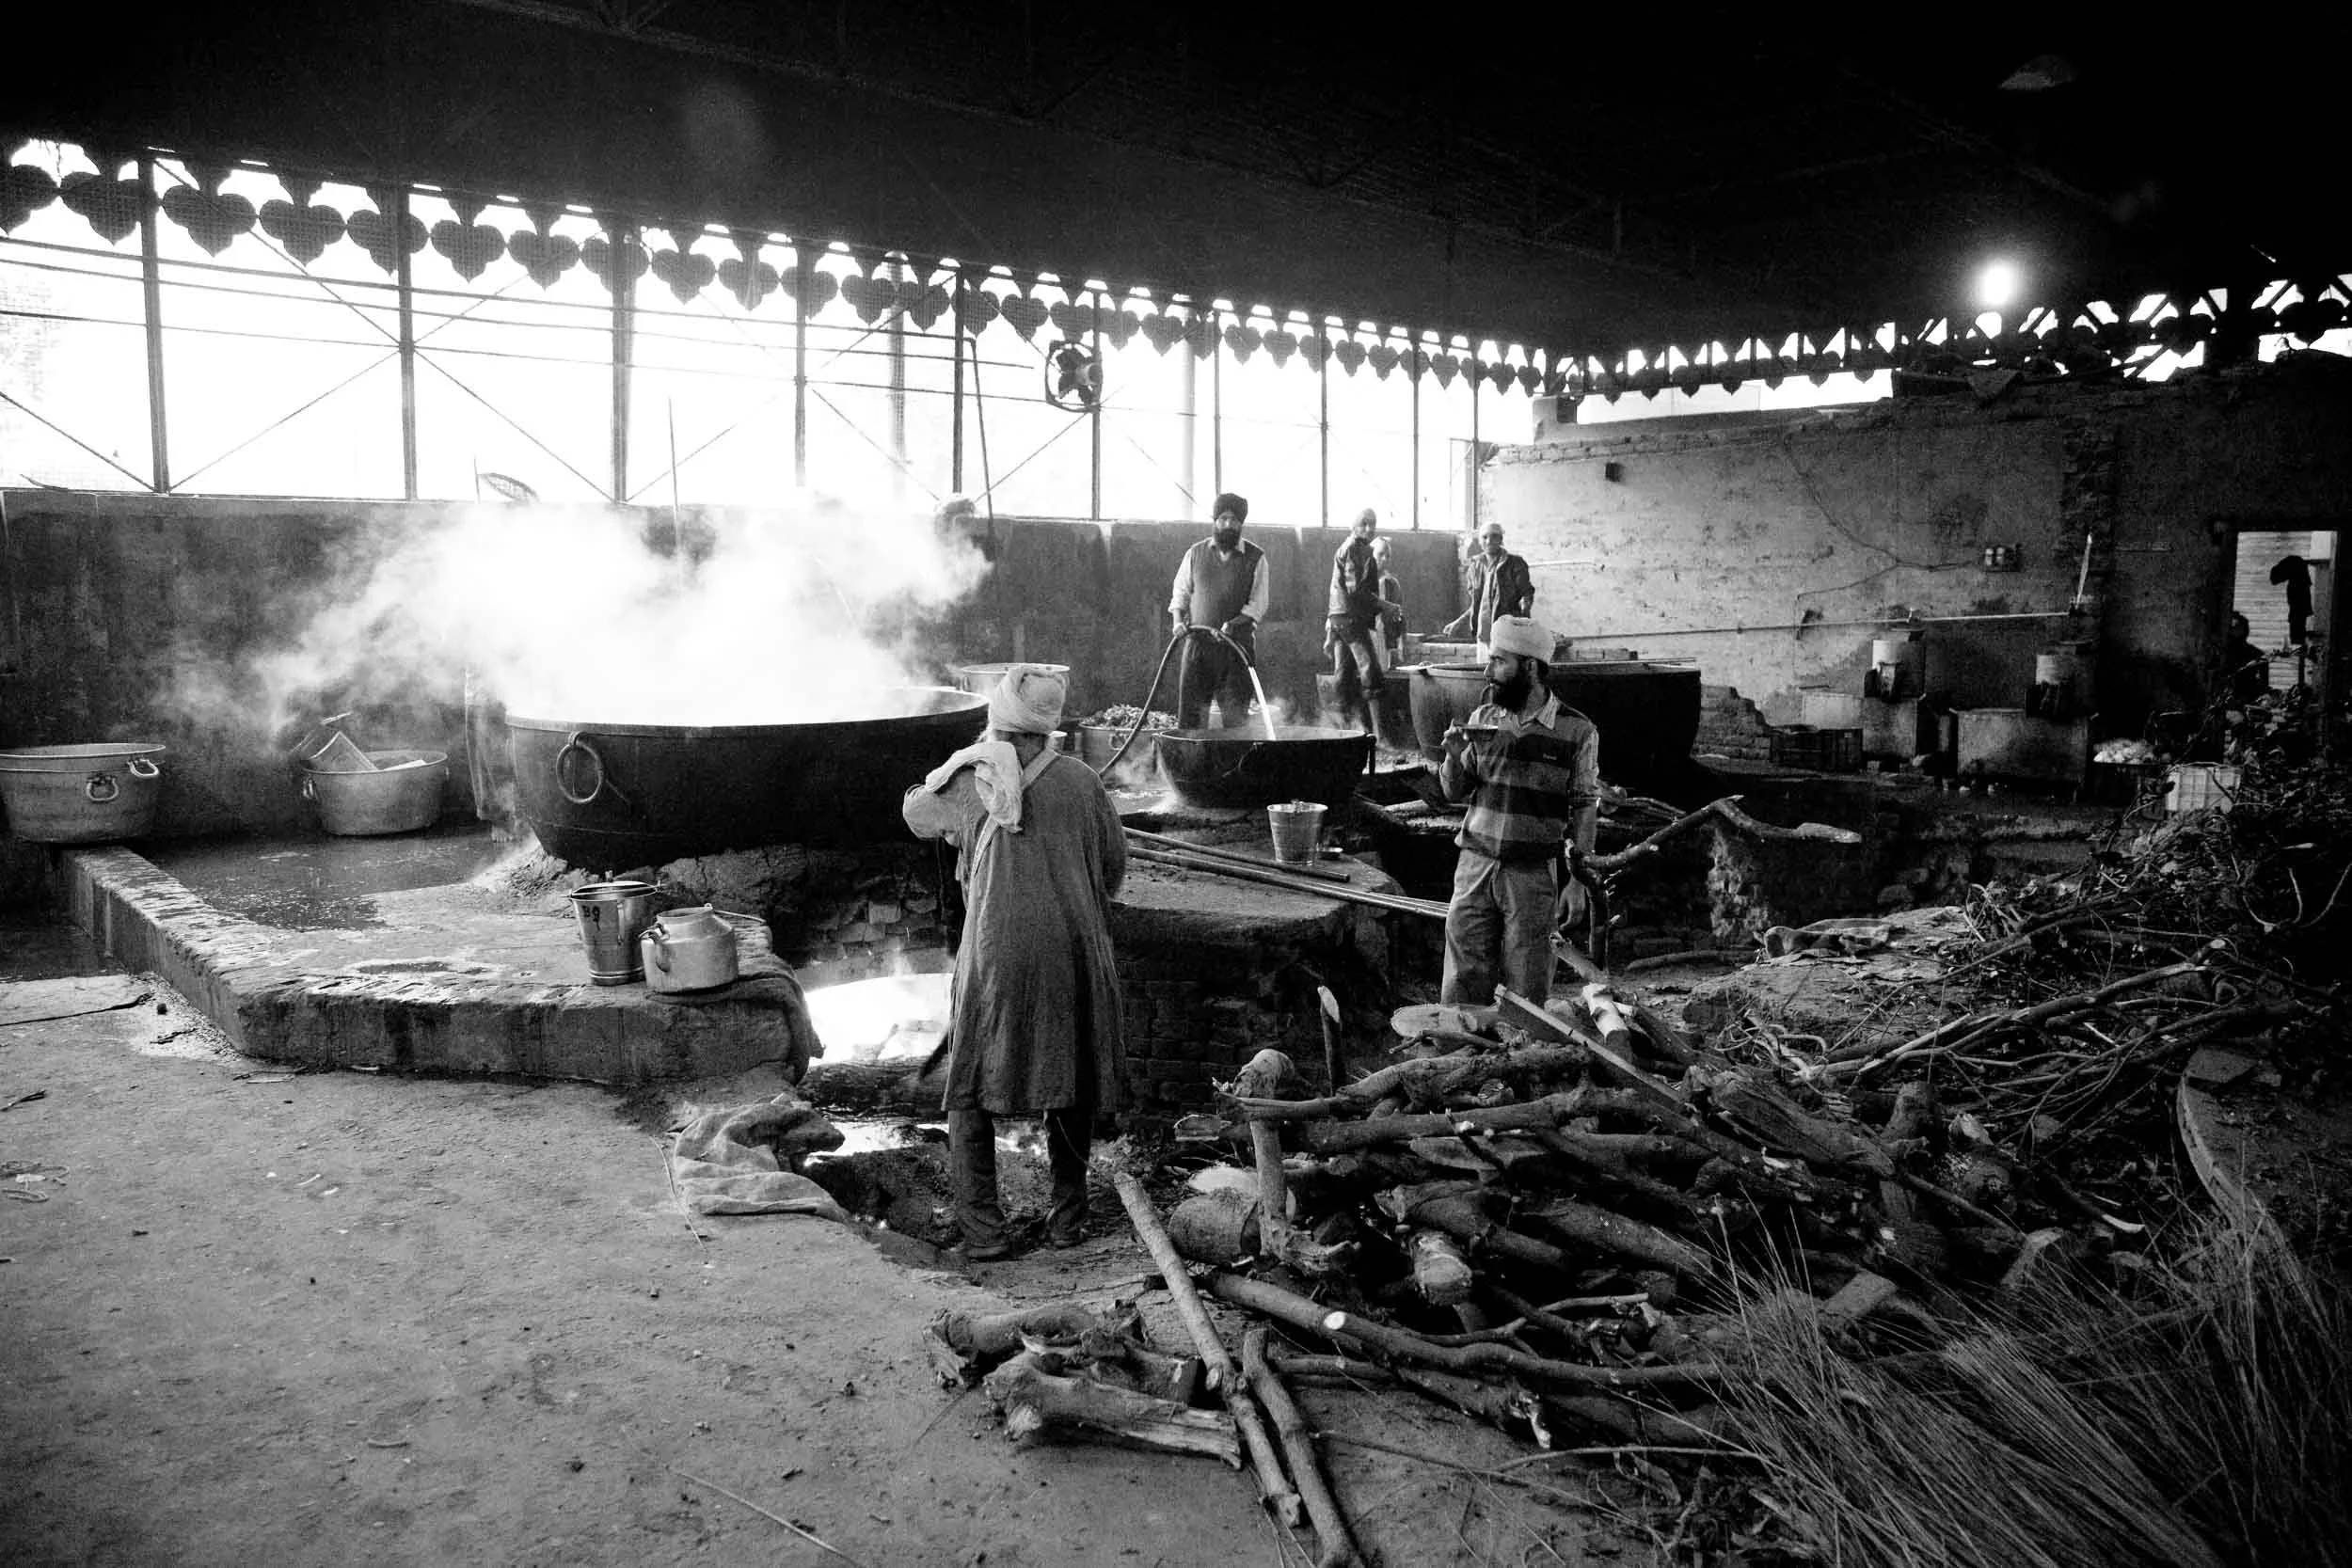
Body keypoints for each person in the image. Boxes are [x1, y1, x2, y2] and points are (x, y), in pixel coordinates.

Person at [902, 664, 1128, 1259]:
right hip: (1073, 952)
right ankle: (1067, 1221)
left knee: (970, 1086)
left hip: (995, 955)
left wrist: (952, 768)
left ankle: (983, 1233)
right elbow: (1112, 871)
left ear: (996, 722)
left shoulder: (972, 780)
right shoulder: (1082, 782)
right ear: (1049, 729)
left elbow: (916, 816)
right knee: (1069, 1079)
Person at [1436, 614, 1598, 1009]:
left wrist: (1577, 881)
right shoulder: (1483, 719)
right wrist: (1454, 757)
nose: (1488, 671)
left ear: (1529, 667)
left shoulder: (1577, 731)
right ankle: (1455, 1062)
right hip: (1475, 866)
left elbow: (1584, 808)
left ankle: (1522, 1063)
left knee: (1526, 985)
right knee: (1462, 979)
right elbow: (1453, 792)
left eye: (1498, 662)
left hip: (1531, 875)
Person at [1168, 492, 1268, 729]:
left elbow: (1258, 604)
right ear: (1215, 521)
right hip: (1198, 648)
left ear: (1241, 524)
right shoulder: (1195, 553)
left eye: (1234, 520)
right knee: (1191, 718)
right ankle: (1191, 764)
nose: (1228, 525)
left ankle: (1233, 766)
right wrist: (1178, 621)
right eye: (1223, 518)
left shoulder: (1256, 558)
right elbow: (1180, 593)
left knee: (1235, 721)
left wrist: (1233, 624)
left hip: (1236, 651)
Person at [1325, 508, 1399, 745]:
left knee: (1343, 675)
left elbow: (1335, 591)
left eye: (1373, 524)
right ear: (1354, 525)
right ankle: (1380, 737)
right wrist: (1385, 605)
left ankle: (1341, 735)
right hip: (1350, 619)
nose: (1369, 528)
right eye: (1364, 524)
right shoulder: (1354, 549)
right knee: (1372, 673)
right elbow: (1355, 591)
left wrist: (1330, 631)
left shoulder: (1355, 548)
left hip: (1340, 619)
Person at [1443, 522, 1534, 655]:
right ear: (1479, 541)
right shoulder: (1474, 568)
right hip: (1483, 636)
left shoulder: (1515, 564)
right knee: (1485, 673)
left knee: (1506, 673)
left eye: (1494, 536)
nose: (1489, 541)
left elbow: (1527, 596)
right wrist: (1458, 622)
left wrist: (1525, 624)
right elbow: (1477, 605)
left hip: (1508, 635)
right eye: (1484, 537)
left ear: (1501, 540)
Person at [1371, 535, 1406, 667]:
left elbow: (1400, 616)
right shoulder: (1362, 582)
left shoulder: (1393, 584)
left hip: (1384, 639)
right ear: (1371, 554)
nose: (1384, 559)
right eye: (1380, 554)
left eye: (1388, 556)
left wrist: (1401, 642)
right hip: (1364, 637)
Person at [2224, 612, 2270, 709]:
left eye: (2237, 628)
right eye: (2231, 628)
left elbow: (2263, 684)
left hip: (2247, 704)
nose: (2233, 631)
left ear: (2245, 630)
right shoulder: (2221, 654)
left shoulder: (2256, 654)